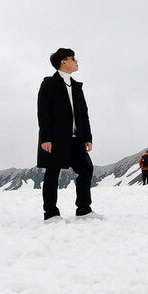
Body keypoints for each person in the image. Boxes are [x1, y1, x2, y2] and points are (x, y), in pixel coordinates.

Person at [37, 48, 100, 221]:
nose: (76, 62)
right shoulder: (49, 83)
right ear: (63, 62)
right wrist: (46, 138)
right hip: (55, 139)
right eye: (73, 59)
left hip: (75, 139)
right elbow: (43, 112)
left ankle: (84, 210)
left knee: (86, 169)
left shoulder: (77, 87)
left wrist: (87, 137)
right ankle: (50, 214)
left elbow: (84, 114)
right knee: (52, 173)